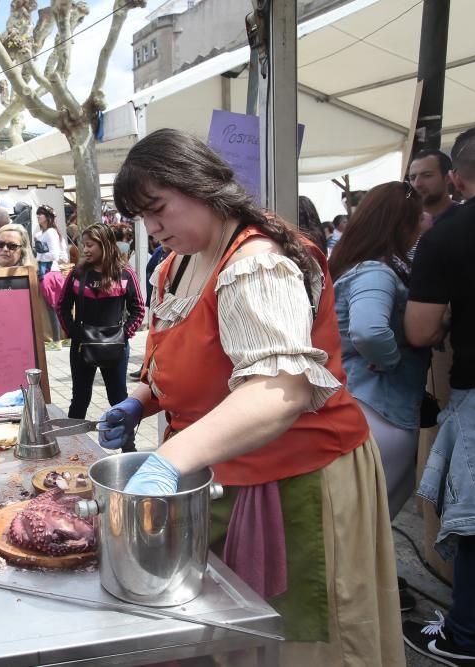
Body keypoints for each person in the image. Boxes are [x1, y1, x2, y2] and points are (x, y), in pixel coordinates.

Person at [102, 128, 403, 665]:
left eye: (158, 209)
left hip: (297, 478)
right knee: (234, 637)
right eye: (140, 216)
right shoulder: (175, 267)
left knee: (301, 641)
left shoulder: (257, 262)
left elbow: (278, 391)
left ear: (201, 187)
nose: (150, 227)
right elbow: (188, 362)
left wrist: (167, 460)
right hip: (223, 475)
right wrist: (142, 400)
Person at [403, 127, 475, 664]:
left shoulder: (449, 235)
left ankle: (465, 636)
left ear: (455, 178)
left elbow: (421, 330)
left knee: (473, 521)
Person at [330, 182, 429, 519]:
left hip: (368, 404)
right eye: (417, 219)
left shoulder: (359, 266)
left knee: (362, 517)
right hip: (379, 406)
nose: (421, 227)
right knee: (367, 519)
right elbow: (368, 330)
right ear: (402, 224)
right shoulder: (376, 271)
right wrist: (391, 359)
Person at [58, 223, 144, 448]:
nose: (85, 250)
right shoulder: (78, 274)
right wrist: (75, 333)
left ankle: (128, 451)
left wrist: (123, 335)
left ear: (104, 245)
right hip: (82, 347)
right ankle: (71, 448)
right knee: (80, 399)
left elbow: (138, 309)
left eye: (90, 245)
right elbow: (62, 306)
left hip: (115, 349)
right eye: (83, 245)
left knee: (119, 401)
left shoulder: (125, 273)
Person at [33, 205, 65, 349]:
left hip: (50, 273)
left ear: (48, 217)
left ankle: (57, 341)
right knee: (54, 307)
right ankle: (59, 339)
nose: (38, 216)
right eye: (38, 214)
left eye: (41, 214)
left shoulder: (50, 232)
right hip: (48, 272)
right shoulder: (44, 232)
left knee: (52, 307)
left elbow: (55, 255)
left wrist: (38, 256)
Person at [408, 148, 457, 224]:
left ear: (447, 178)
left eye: (427, 175)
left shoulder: (467, 218)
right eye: (412, 178)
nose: (417, 184)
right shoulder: (402, 220)